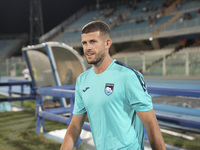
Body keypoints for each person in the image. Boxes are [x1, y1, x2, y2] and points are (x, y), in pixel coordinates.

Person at [60, 21, 166, 150]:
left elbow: (151, 125)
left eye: (93, 41)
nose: (87, 47)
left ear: (107, 43)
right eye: (84, 43)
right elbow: (75, 126)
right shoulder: (82, 80)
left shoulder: (128, 76)